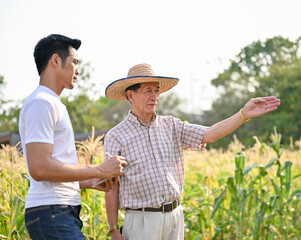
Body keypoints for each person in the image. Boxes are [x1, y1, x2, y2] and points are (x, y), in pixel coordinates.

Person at [103, 63, 281, 240]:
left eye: (157, 91)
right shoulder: (116, 136)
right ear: (130, 95)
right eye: (148, 91)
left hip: (174, 216)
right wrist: (113, 229)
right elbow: (111, 187)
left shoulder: (172, 125)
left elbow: (210, 134)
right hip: (142, 221)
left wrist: (243, 114)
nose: (154, 96)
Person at [19, 34, 127, 240]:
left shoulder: (53, 104)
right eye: (75, 62)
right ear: (55, 60)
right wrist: (99, 168)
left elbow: (53, 171)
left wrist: (91, 180)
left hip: (58, 212)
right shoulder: (42, 103)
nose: (78, 70)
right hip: (51, 212)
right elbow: (39, 168)